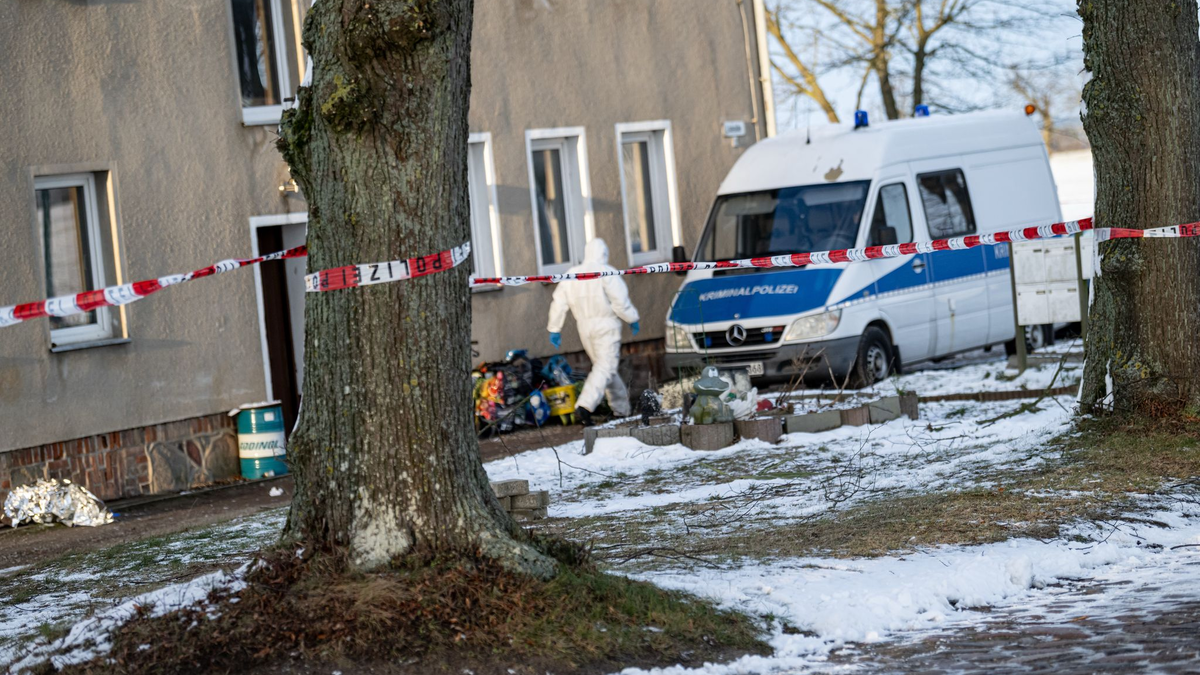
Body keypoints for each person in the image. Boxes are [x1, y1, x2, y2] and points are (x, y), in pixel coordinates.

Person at [547, 238, 640, 426]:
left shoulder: (572, 274)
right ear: (604, 253)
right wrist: (632, 318)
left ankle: (621, 409)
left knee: (606, 368)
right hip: (606, 325)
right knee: (606, 367)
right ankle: (585, 405)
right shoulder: (607, 272)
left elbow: (558, 302)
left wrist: (554, 328)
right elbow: (620, 302)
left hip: (584, 328)